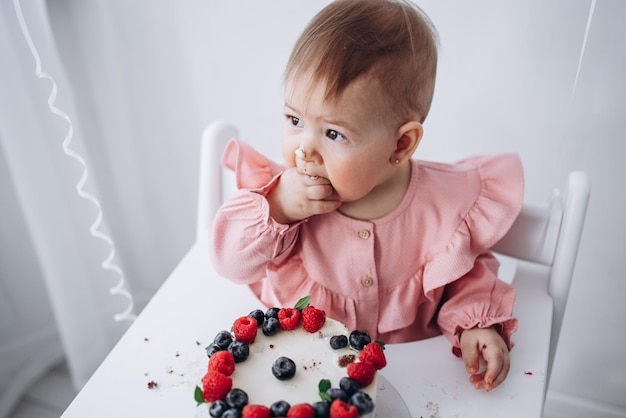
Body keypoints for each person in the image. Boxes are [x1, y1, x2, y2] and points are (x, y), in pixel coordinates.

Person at [209, 0, 523, 392]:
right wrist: (278, 209)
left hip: (419, 386)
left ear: (401, 143)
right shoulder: (282, 198)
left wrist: (477, 325)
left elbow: (467, 275)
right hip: (306, 380)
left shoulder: (442, 205)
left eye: (334, 133)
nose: (305, 149)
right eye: (294, 120)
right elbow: (228, 263)